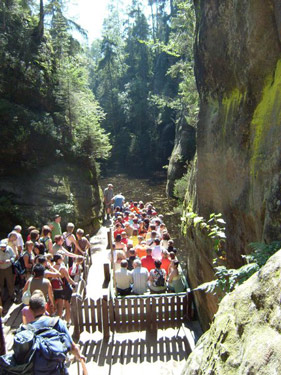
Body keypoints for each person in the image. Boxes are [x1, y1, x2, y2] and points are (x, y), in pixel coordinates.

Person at [27, 293, 84, 363]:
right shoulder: (57, 323)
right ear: (45, 306)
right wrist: (79, 356)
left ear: (30, 309)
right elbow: (72, 347)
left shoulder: (26, 329)